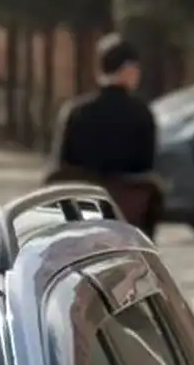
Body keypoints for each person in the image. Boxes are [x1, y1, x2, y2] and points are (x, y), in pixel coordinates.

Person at [47, 34, 161, 236]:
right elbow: (146, 166)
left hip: (81, 213)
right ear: (128, 70)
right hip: (128, 216)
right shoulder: (142, 114)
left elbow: (61, 167)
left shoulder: (76, 112)